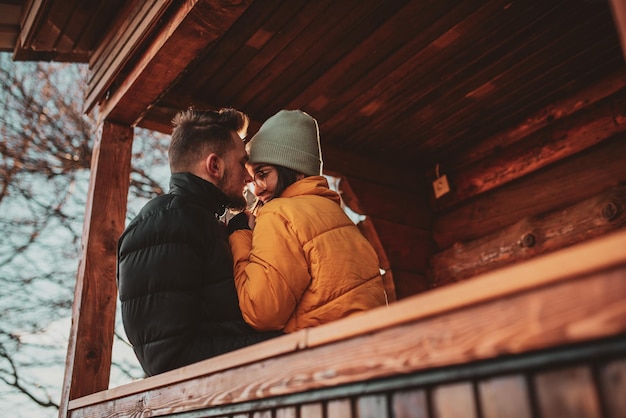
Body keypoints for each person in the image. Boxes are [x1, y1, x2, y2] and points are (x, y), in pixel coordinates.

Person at [117, 107, 281, 377]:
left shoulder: (199, 222)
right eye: (242, 163)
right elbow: (170, 358)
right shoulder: (168, 223)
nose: (249, 177)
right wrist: (285, 343)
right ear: (214, 166)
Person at [228, 109, 388, 333]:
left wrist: (241, 236)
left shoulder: (278, 213)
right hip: (370, 345)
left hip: (322, 355)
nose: (257, 188)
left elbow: (262, 312)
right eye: (253, 178)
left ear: (298, 171)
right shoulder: (337, 216)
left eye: (263, 174)